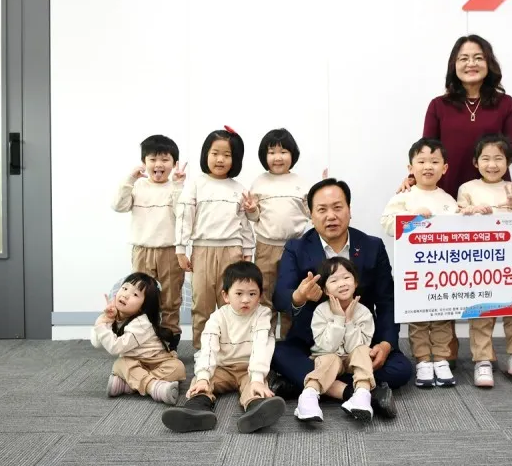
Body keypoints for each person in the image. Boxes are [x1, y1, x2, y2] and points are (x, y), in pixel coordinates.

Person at [399, 34, 512, 365]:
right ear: (454, 64)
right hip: (447, 195)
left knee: (489, 269)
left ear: (488, 62)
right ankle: (446, 343)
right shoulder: (439, 105)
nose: (471, 63)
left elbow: (507, 151)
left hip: (492, 198)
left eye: (478, 57)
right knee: (447, 271)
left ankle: (492, 352)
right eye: (463, 58)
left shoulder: (506, 104)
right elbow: (428, 150)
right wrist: (413, 179)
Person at [269, 178, 413, 419]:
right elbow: (280, 297)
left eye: (337, 207)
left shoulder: (372, 246)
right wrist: (300, 295)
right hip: (314, 344)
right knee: (276, 353)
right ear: (311, 215)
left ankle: (307, 383)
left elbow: (387, 300)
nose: (331, 216)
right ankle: (355, 392)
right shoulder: (296, 248)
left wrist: (386, 344)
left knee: (401, 369)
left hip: (359, 342)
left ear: (349, 210)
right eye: (322, 210)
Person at [161, 261, 286, 434]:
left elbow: (261, 346)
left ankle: (256, 409)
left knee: (256, 386)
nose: (246, 299)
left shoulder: (262, 314)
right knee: (201, 382)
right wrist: (204, 376)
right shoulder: (218, 317)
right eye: (239, 293)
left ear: (259, 296)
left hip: (248, 368)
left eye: (252, 294)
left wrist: (257, 378)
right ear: (226, 295)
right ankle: (197, 409)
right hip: (222, 367)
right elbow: (208, 348)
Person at [457, 133, 512, 387]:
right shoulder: (468, 189)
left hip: (509, 263)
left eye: (498, 159)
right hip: (477, 263)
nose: (492, 164)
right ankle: (482, 360)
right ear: (475, 162)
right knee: (481, 311)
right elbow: (456, 221)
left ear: (508, 162)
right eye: (485, 158)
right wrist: (469, 212)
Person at [380, 137, 458, 388]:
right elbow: (388, 224)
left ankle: (441, 359)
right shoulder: (404, 197)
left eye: (434, 161)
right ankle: (423, 360)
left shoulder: (449, 200)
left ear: (445, 168)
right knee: (419, 317)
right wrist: (412, 217)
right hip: (415, 272)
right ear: (410, 167)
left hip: (443, 272)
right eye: (421, 161)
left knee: (443, 315)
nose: (428, 166)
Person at [175, 126, 255, 350]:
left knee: (231, 303)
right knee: (202, 303)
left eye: (227, 155)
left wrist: (248, 252)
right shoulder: (196, 185)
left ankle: (231, 349)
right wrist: (180, 249)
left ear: (235, 158)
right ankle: (203, 350)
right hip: (202, 250)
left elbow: (245, 224)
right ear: (206, 155)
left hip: (232, 251)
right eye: (215, 153)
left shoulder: (239, 189)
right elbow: (184, 217)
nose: (220, 159)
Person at [112, 134, 187, 350]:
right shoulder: (138, 186)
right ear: (144, 162)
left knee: (171, 298)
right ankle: (141, 338)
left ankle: (170, 339)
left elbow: (182, 215)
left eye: (165, 159)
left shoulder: (176, 188)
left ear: (174, 163)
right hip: (142, 250)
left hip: (170, 250)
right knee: (139, 297)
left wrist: (178, 185)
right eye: (153, 159)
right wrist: (130, 179)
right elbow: (118, 206)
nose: (158, 164)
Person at [243, 128, 311, 339]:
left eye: (283, 152)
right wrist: (251, 209)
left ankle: (289, 341)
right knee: (265, 294)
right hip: (266, 247)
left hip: (295, 247)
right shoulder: (260, 182)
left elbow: (311, 213)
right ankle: (265, 340)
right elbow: (254, 217)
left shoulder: (301, 183)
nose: (277, 157)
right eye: (271, 152)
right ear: (264, 156)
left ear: (293, 154)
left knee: (293, 293)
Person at [294, 257, 376, 423]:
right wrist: (339, 319)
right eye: (334, 280)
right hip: (328, 357)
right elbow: (328, 347)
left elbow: (356, 347)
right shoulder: (321, 311)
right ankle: (308, 396)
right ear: (325, 289)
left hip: (352, 359)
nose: (342, 284)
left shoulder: (364, 312)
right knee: (330, 358)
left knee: (363, 351)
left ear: (355, 282)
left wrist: (349, 321)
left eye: (346, 277)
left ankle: (361, 395)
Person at [91, 273, 186, 405]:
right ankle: (154, 387)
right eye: (125, 288)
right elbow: (96, 343)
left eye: (135, 294)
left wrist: (101, 326)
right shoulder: (114, 315)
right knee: (121, 364)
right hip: (134, 361)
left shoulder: (142, 323)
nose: (125, 295)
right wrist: (105, 319)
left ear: (143, 306)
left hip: (157, 361)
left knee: (178, 368)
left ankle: (129, 385)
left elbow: (115, 347)